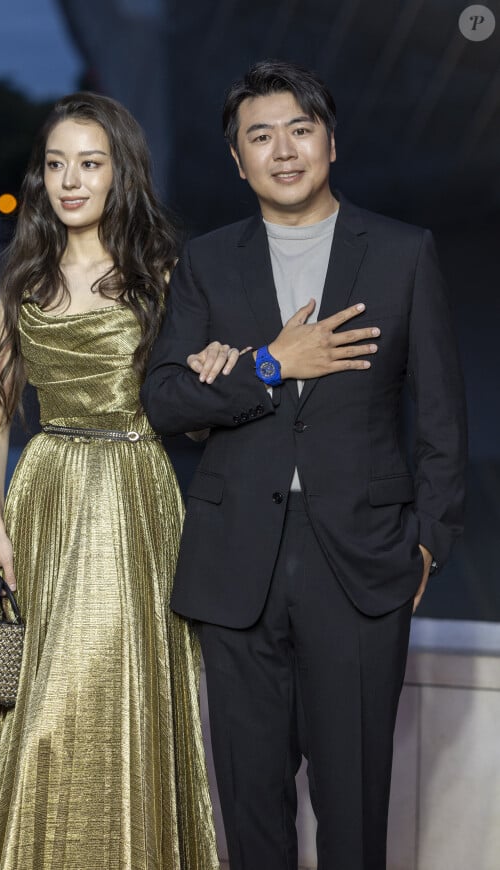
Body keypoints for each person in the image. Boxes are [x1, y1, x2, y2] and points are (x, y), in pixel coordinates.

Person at [141, 60, 467, 870]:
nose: (283, 150)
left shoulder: (400, 253)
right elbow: (166, 402)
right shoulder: (208, 263)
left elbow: (441, 418)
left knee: (355, 801)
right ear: (236, 158)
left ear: (330, 141)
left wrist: (429, 540)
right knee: (250, 801)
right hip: (233, 565)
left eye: (299, 129)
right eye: (261, 136)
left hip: (359, 562)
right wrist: (269, 364)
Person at [0, 92, 220, 870]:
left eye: (91, 163)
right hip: (45, 498)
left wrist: (214, 371)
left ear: (119, 173)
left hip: (135, 495)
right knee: (41, 704)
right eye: (56, 164)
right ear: (41, 178)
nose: (71, 179)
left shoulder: (161, 274)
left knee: (116, 691)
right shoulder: (22, 281)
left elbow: (193, 418)